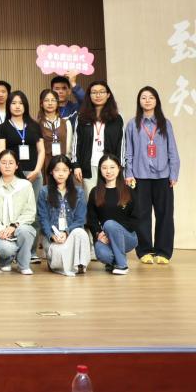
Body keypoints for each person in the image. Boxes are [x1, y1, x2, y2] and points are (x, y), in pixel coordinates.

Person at [124, 86, 180, 265]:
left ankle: (163, 252)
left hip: (163, 176)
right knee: (141, 215)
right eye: (143, 97)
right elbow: (128, 152)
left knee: (165, 214)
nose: (147, 100)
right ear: (139, 101)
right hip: (140, 177)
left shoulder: (165, 123)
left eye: (151, 97)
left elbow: (172, 150)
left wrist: (174, 173)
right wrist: (129, 173)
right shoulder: (132, 124)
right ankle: (145, 250)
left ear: (157, 101)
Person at [0, 150, 37, 274]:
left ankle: (23, 265)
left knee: (26, 231)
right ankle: (4, 261)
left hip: (19, 227)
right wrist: (0, 229)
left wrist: (14, 226)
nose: (7, 166)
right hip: (0, 231)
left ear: (17, 165)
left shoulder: (25, 185)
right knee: (7, 249)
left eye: (11, 163)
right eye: (3, 163)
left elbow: (30, 212)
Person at [37, 155, 91, 276]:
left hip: (71, 235)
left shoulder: (79, 192)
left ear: (70, 171)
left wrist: (66, 232)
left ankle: (78, 264)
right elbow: (43, 219)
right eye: (57, 170)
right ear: (51, 172)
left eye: (64, 170)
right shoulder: (44, 191)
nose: (61, 174)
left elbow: (80, 220)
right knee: (60, 254)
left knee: (80, 232)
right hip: (53, 238)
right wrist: (52, 236)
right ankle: (67, 263)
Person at [0, 91, 45, 221]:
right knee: (16, 209)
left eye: (21, 103)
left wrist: (37, 171)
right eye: (13, 103)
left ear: (25, 105)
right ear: (8, 105)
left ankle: (34, 234)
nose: (17, 106)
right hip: (13, 174)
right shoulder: (2, 127)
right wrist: (12, 172)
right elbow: (2, 153)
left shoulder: (35, 126)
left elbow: (41, 150)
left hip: (34, 173)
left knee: (34, 209)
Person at [87, 154, 139, 275]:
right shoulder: (95, 192)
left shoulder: (128, 191)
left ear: (119, 169)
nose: (108, 171)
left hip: (128, 237)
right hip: (106, 238)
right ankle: (115, 260)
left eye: (112, 167)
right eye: (104, 168)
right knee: (101, 252)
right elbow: (91, 218)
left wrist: (115, 231)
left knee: (110, 224)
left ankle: (122, 266)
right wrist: (98, 234)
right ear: (100, 170)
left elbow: (137, 217)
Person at [73, 80, 123, 197]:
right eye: (94, 92)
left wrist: (119, 167)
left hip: (110, 167)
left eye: (101, 92)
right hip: (88, 166)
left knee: (110, 199)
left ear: (108, 95)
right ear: (89, 96)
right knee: (91, 199)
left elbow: (121, 144)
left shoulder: (117, 119)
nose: (98, 95)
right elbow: (76, 143)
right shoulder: (81, 118)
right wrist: (76, 165)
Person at [37, 89, 76, 182]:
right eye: (46, 100)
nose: (50, 103)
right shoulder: (37, 125)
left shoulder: (66, 123)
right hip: (44, 165)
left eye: (53, 100)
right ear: (41, 103)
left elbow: (69, 149)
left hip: (62, 165)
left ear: (57, 103)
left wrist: (66, 166)